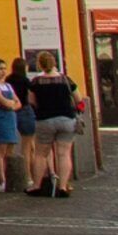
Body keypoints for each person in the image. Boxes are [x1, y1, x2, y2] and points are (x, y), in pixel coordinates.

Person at [25, 53, 84, 197]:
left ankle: (37, 185)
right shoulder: (65, 80)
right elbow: (79, 99)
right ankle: (63, 187)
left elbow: (32, 102)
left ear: (40, 64)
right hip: (66, 119)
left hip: (45, 120)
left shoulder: (36, 82)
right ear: (54, 63)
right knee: (64, 154)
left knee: (41, 154)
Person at [0, 58, 28, 193]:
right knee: (0, 150)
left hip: (11, 116)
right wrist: (11, 104)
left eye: (4, 69)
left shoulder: (8, 86)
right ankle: (1, 181)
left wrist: (12, 105)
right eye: (0, 69)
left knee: (10, 150)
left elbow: (18, 103)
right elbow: (4, 102)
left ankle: (10, 178)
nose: (3, 72)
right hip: (0, 117)